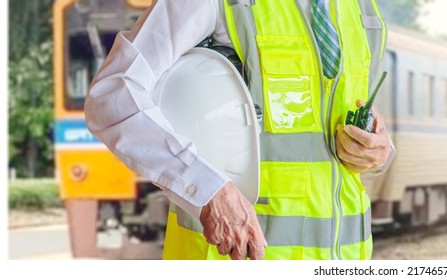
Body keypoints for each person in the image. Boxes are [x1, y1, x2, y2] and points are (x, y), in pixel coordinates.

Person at [85, 0, 394, 260]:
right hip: (240, 255)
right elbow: (112, 96)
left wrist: (378, 150)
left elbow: (339, 115)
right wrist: (206, 191)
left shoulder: (361, 8)